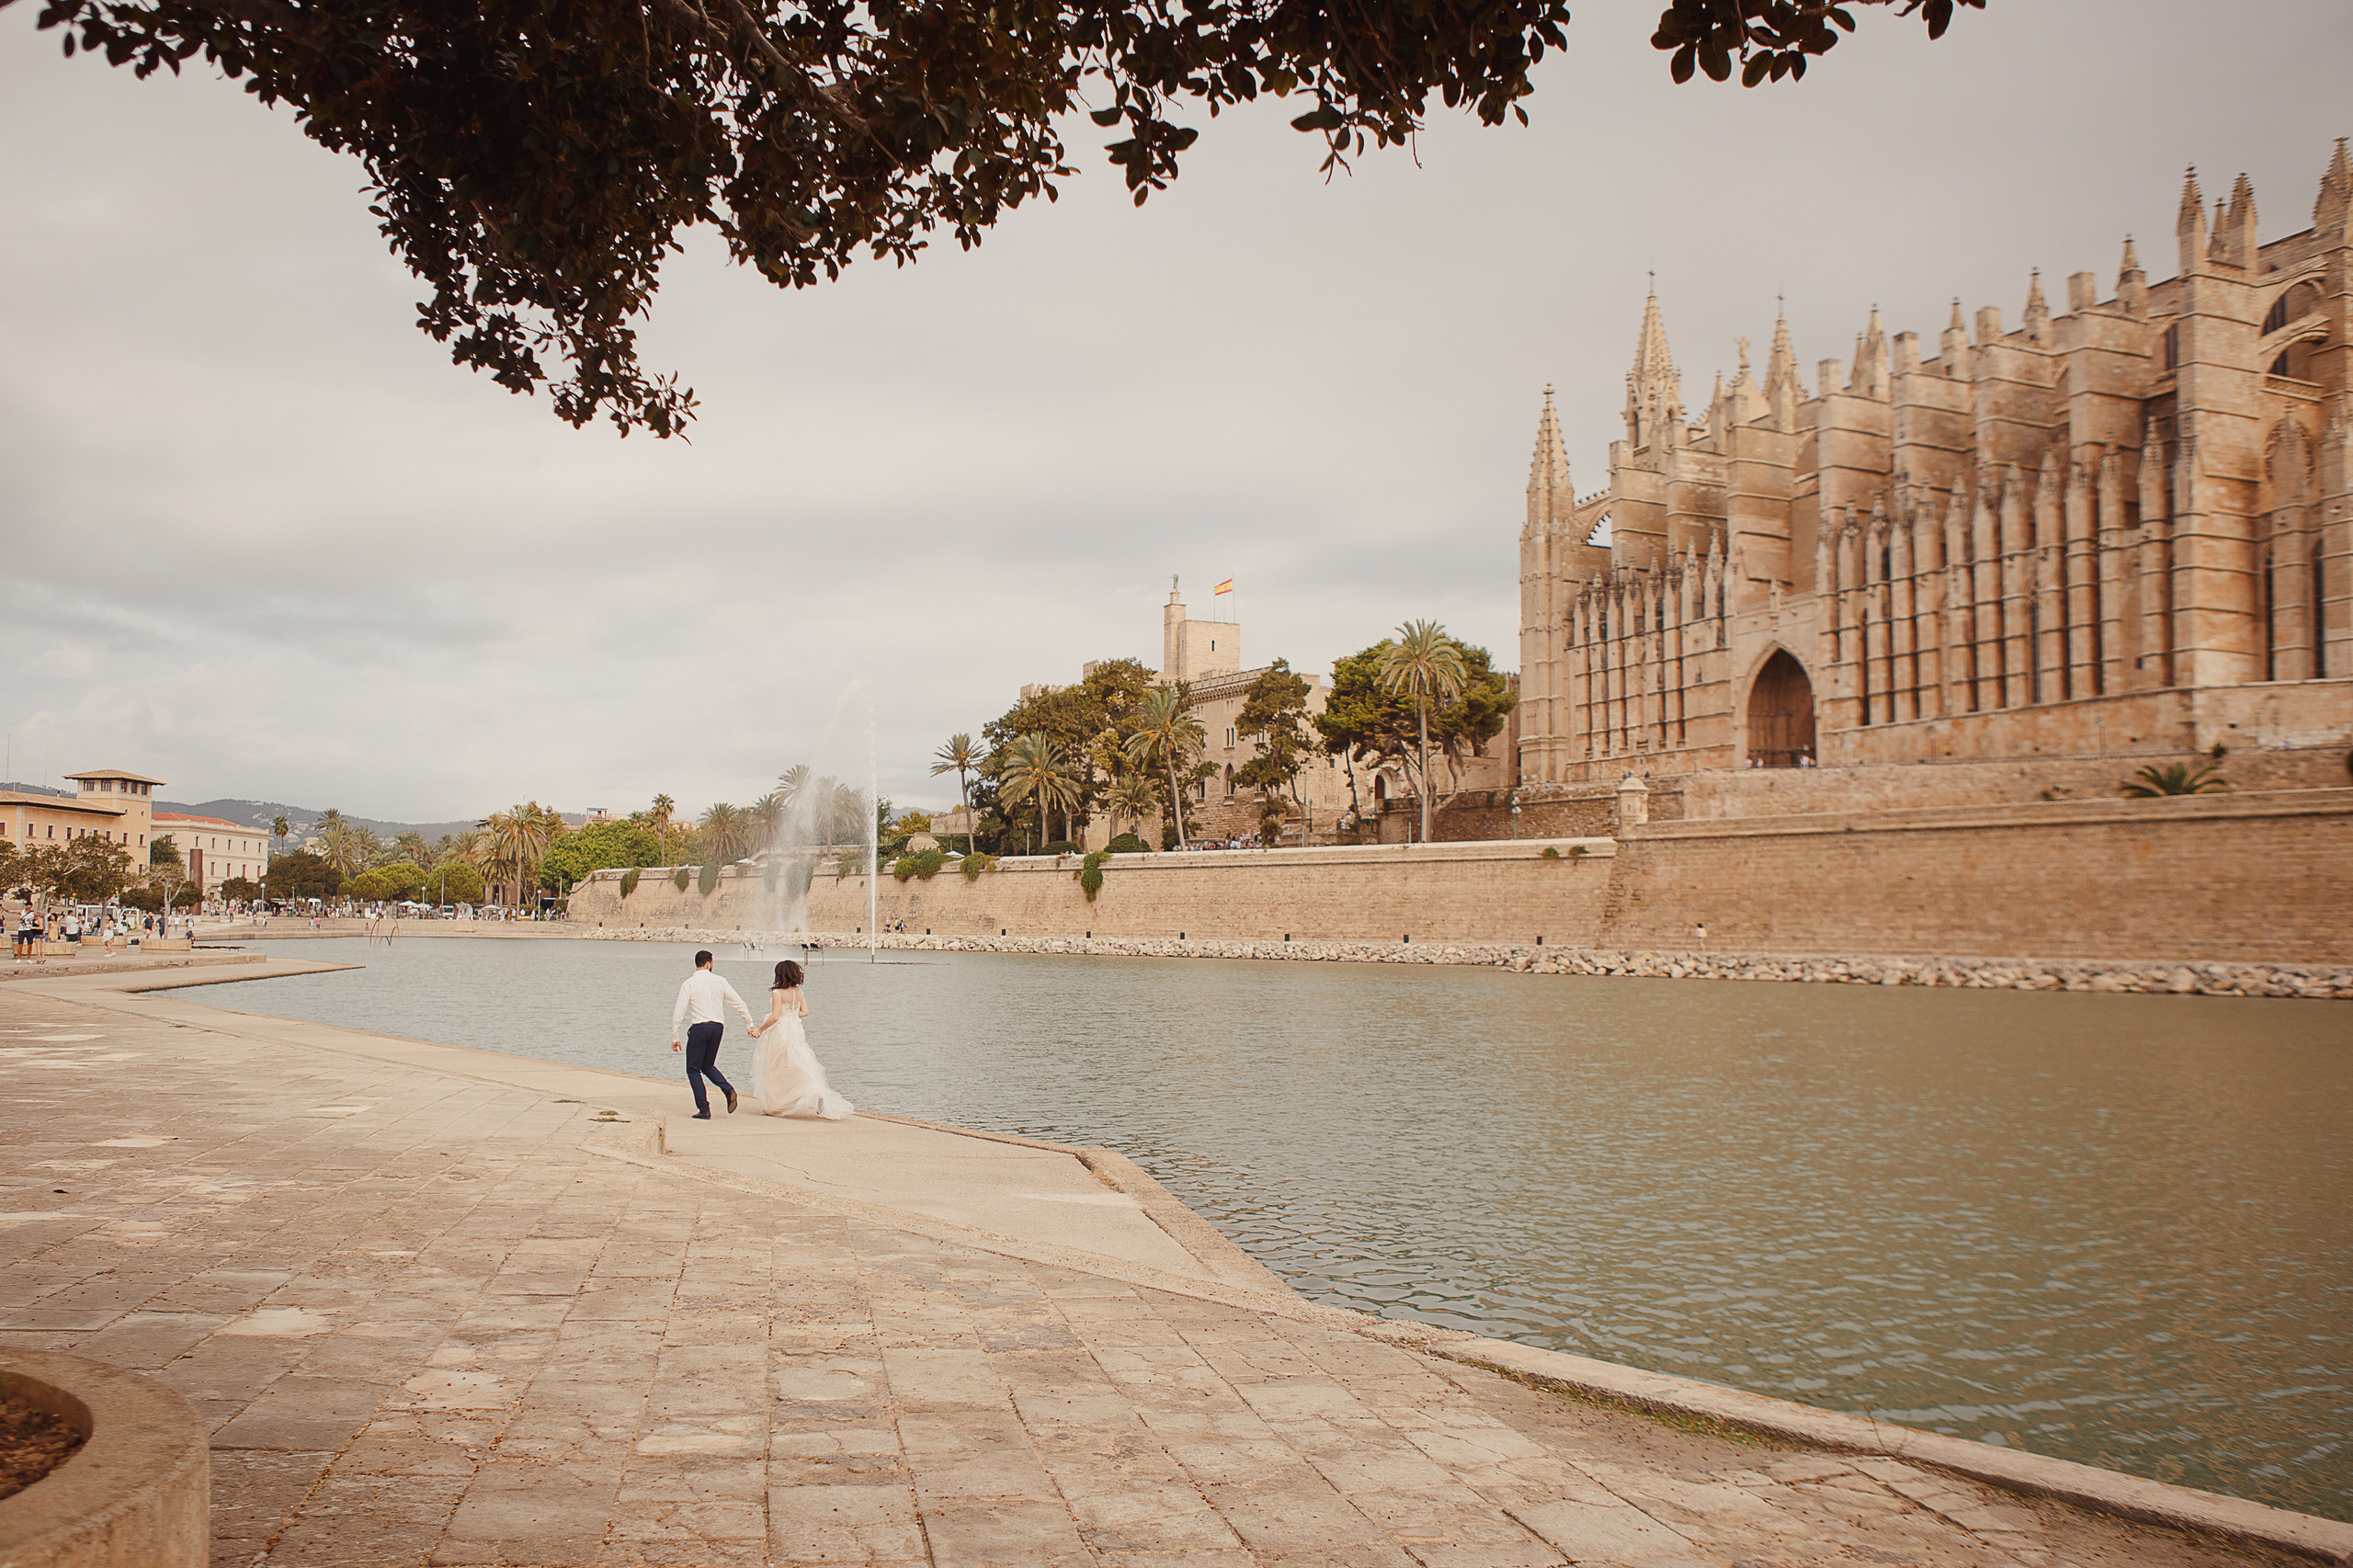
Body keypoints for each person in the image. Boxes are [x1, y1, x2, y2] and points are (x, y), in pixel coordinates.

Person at [745, 960, 854, 1119]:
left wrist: (759, 1029)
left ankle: (778, 1102)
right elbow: (805, 1012)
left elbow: (775, 1016)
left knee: (776, 1066)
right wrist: (790, 1016)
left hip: (781, 1031)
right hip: (795, 1029)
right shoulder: (798, 992)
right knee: (799, 1061)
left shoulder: (778, 993)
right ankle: (814, 1091)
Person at [669, 949, 756, 1119]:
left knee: (693, 1069)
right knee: (707, 1065)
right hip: (717, 1028)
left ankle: (704, 1109)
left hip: (700, 1028)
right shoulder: (720, 981)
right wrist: (749, 1024)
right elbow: (739, 1003)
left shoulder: (689, 983)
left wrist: (675, 1036)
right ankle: (728, 1089)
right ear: (708, 964)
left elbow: (679, 1011)